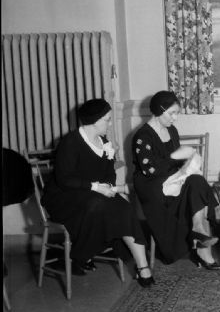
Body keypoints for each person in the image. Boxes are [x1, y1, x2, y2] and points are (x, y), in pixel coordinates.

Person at [41, 98, 154, 287]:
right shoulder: (70, 142)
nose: (109, 124)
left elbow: (108, 174)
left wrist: (109, 186)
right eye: (107, 120)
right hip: (63, 197)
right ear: (95, 120)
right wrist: (96, 187)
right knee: (99, 206)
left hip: (92, 195)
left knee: (123, 207)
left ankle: (143, 268)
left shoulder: (104, 143)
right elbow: (64, 180)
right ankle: (79, 255)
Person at [132, 91, 220, 269]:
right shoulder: (142, 136)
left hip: (172, 180)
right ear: (159, 110)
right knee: (197, 190)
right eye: (172, 113)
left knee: (197, 181)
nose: (175, 118)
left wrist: (189, 163)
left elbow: (177, 162)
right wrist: (176, 156)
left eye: (177, 113)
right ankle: (202, 244)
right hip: (152, 187)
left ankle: (198, 230)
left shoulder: (171, 130)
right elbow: (150, 171)